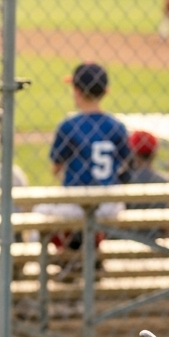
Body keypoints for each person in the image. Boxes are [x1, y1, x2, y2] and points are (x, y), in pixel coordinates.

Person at [47, 62, 129, 255]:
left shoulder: (68, 125)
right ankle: (92, 252)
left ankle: (66, 259)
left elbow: (55, 168)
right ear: (106, 91)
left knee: (41, 211)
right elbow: (125, 163)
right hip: (109, 204)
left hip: (76, 203)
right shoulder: (117, 126)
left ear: (76, 91)